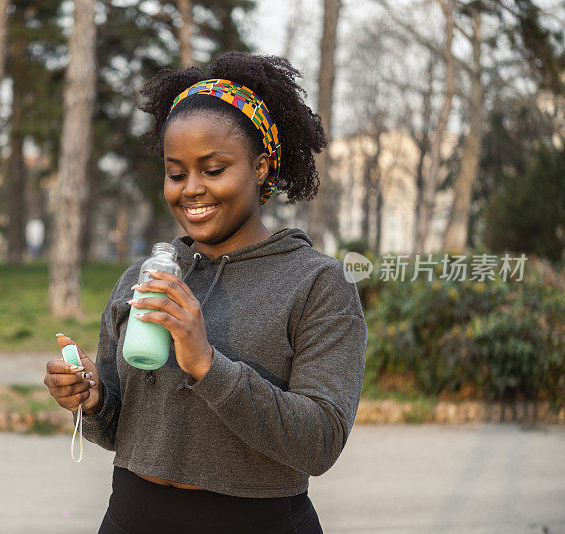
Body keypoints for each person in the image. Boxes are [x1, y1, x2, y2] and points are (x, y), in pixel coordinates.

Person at [43, 51, 368, 533]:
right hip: (132, 517)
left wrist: (206, 364)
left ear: (260, 168)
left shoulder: (319, 284)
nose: (191, 189)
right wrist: (91, 400)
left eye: (213, 169)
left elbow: (319, 444)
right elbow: (119, 429)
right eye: (177, 173)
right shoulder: (143, 278)